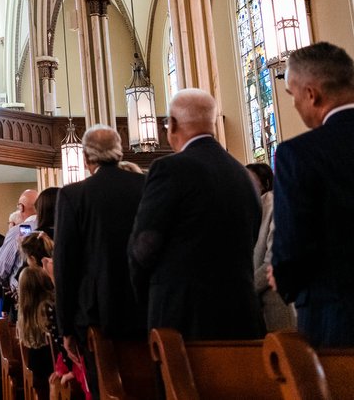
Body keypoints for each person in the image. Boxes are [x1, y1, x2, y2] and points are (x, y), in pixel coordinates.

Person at [129, 89, 263, 340]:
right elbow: (252, 234)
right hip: (242, 314)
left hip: (185, 318)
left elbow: (144, 244)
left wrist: (145, 298)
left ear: (174, 125)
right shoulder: (241, 173)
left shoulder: (170, 168)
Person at [54, 125, 146, 398]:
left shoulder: (73, 195)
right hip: (145, 307)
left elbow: (65, 266)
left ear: (85, 158)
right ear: (120, 152)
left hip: (96, 313)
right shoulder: (147, 185)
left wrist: (66, 328)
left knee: (104, 387)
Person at [273, 42, 354, 346]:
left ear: (311, 94)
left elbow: (292, 245)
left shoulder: (299, 155)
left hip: (337, 319)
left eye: (292, 95)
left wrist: (282, 277)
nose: (294, 105)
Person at [247, 162, 295, 333]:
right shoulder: (249, 208)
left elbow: (273, 261)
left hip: (274, 298)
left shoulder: (274, 204)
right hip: (253, 302)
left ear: (265, 183)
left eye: (249, 179)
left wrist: (245, 288)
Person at [0, 189, 39, 311]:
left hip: (24, 295)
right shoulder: (56, 228)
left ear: (21, 207)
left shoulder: (18, 231)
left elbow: (0, 269)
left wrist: (9, 284)